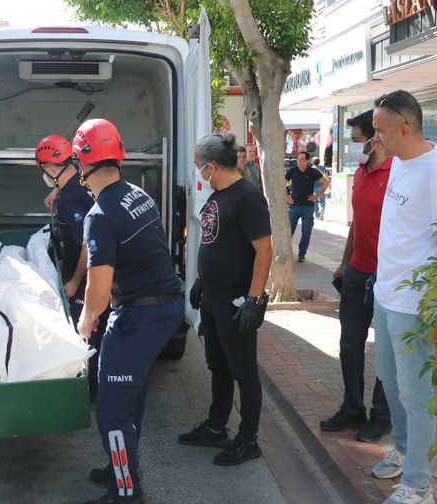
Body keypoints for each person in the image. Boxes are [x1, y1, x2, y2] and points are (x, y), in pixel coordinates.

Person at [74, 118, 183, 504]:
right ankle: (118, 466)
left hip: (141, 313)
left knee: (112, 410)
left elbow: (98, 292)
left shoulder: (100, 215)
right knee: (126, 395)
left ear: (82, 164)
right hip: (162, 306)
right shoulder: (137, 193)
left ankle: (126, 491)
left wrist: (84, 328)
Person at [370, 90, 437, 504]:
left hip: (416, 305)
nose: (375, 138)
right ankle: (405, 451)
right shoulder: (399, 161)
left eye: (380, 130)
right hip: (386, 294)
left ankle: (418, 484)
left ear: (404, 129)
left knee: (417, 394)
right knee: (392, 384)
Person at [178, 133, 273, 467]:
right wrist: (202, 281)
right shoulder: (219, 195)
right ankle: (217, 426)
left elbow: (264, 251)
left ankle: (248, 440)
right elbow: (216, 240)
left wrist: (253, 299)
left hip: (235, 301)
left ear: (211, 166)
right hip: (213, 298)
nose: (196, 172)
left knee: (244, 371)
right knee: (217, 364)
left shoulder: (248, 198)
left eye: (197, 167)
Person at [319, 110, 392, 442]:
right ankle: (352, 408)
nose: (353, 145)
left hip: (389, 276)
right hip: (357, 272)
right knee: (349, 345)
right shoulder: (361, 174)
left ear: (376, 136)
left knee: (387, 351)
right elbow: (356, 223)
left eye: (357, 138)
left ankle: (381, 415)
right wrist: (344, 262)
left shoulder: (398, 174)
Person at [35, 133, 104, 401]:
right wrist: (57, 189)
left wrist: (75, 282)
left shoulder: (70, 201)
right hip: (107, 270)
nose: (44, 175)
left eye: (44, 170)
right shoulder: (81, 179)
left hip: (89, 273)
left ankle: (89, 391)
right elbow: (73, 183)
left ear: (53, 170)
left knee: (88, 333)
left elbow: (89, 245)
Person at [285, 151, 329, 262]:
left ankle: (301, 254)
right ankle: (286, 253)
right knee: (289, 231)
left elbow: (326, 182)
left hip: (308, 208)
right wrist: (286, 196)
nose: (298, 161)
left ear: (307, 161)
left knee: (306, 231)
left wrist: (317, 195)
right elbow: (282, 181)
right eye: (298, 159)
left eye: (301, 159)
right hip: (293, 206)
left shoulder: (313, 172)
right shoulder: (292, 171)